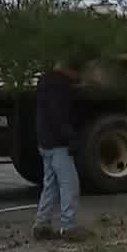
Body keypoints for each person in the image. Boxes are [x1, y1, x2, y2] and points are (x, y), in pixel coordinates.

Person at [33, 61, 84, 240]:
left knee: (51, 185)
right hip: (58, 143)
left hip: (45, 141)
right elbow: (59, 116)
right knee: (69, 184)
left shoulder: (44, 82)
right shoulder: (60, 85)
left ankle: (42, 224)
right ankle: (69, 227)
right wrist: (71, 137)